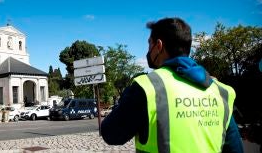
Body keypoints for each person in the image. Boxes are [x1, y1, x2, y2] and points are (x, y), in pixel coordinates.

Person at [101, 18, 243, 152]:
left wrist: (129, 93)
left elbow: (110, 134)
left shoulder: (147, 87)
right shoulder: (220, 91)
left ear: (158, 46)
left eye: (149, 44)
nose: (148, 50)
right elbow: (235, 148)